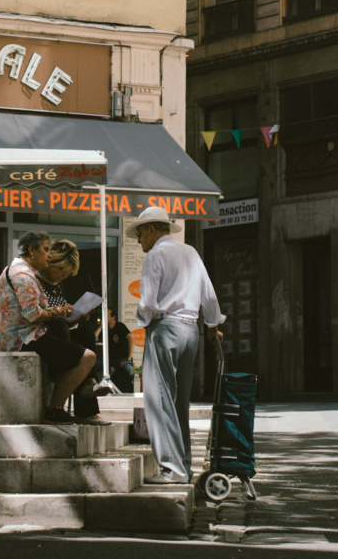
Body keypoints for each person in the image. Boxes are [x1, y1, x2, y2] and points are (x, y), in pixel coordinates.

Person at [127, 206, 225, 485]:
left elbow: (147, 301)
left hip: (165, 328)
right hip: (190, 331)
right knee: (179, 402)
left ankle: (173, 469)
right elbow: (209, 295)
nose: (138, 240)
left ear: (151, 229)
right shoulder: (191, 252)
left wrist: (146, 323)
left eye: (139, 234)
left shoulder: (156, 254)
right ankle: (184, 466)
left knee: (159, 399)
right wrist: (212, 328)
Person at [0, 230, 98, 425]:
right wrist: (58, 311)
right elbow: (33, 315)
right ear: (32, 250)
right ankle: (55, 410)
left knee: (79, 345)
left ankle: (81, 394)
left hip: (24, 335)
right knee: (87, 357)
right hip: (22, 338)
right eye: (46, 250)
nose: (49, 255)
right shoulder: (24, 276)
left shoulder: (20, 271)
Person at [37, 238, 110, 424]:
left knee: (85, 333)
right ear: (51, 262)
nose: (64, 276)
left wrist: (77, 317)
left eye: (68, 273)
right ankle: (82, 397)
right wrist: (59, 314)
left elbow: (61, 322)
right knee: (80, 350)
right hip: (42, 336)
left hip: (57, 332)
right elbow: (37, 317)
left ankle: (88, 386)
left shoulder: (57, 285)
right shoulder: (35, 282)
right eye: (62, 270)